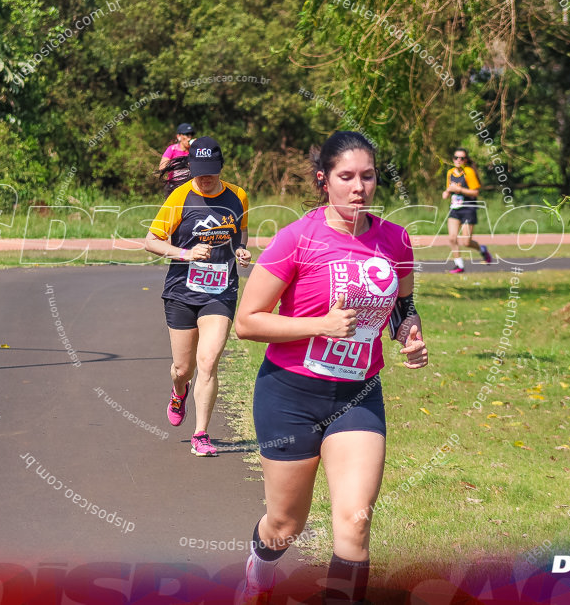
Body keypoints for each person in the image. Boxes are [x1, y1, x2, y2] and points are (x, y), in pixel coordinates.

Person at [232, 131, 428, 604]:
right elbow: (246, 322)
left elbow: (403, 306)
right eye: (346, 177)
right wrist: (320, 324)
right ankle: (260, 567)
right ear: (324, 181)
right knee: (284, 525)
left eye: (368, 176)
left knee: (355, 522)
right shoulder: (297, 238)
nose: (358, 187)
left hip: (357, 397)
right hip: (290, 396)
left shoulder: (395, 240)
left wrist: (409, 335)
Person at [145, 137, 251, 456]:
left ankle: (201, 434)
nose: (205, 179)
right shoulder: (180, 197)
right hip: (182, 290)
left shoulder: (238, 196)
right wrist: (185, 253)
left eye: (212, 173)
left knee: (208, 361)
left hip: (220, 290)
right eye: (200, 172)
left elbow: (240, 231)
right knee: (183, 368)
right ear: (190, 167)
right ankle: (179, 393)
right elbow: (151, 241)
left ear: (221, 168)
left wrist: (241, 249)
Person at [442, 148, 492, 273]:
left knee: (466, 241)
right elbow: (449, 189)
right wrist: (447, 192)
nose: (458, 160)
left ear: (466, 160)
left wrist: (460, 190)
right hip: (455, 208)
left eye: (462, 158)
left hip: (468, 208)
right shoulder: (450, 172)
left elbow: (475, 192)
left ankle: (482, 250)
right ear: (453, 159)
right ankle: (459, 265)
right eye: (456, 157)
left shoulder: (468, 172)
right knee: (452, 238)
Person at [159, 122, 195, 196]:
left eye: (191, 135)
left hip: (190, 187)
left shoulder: (194, 150)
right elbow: (161, 167)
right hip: (173, 187)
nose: (189, 137)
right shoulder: (172, 149)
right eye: (187, 134)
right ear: (179, 136)